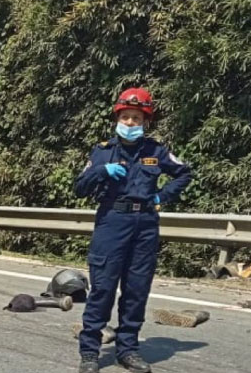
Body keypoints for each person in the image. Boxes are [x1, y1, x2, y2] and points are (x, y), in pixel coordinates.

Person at [74, 88, 193, 373]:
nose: (129, 123)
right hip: (112, 222)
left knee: (137, 290)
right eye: (125, 117)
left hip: (145, 225)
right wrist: (102, 172)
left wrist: (161, 197)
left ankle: (127, 349)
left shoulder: (156, 151)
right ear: (117, 118)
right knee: (102, 288)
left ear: (145, 121)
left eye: (136, 118)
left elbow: (184, 172)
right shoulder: (103, 152)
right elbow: (79, 188)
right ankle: (90, 352)